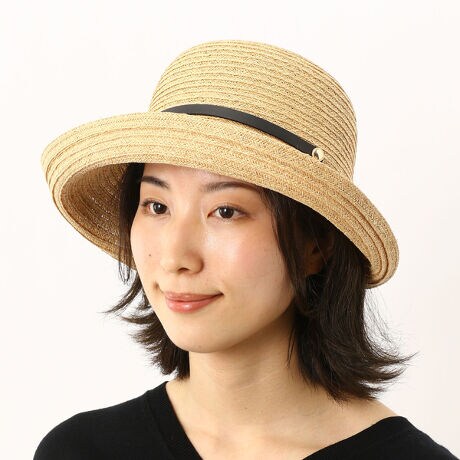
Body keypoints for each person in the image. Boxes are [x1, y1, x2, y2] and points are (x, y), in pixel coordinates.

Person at [34, 40, 457, 459]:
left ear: (316, 246)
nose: (175, 257)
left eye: (225, 211)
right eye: (157, 206)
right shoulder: (81, 450)